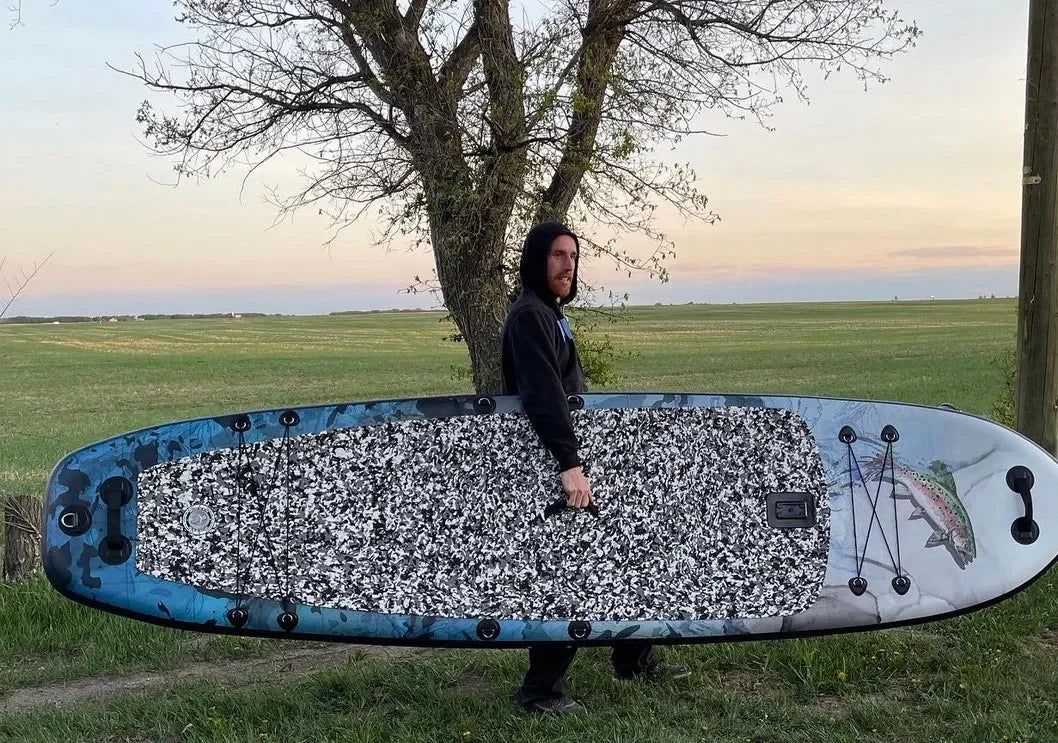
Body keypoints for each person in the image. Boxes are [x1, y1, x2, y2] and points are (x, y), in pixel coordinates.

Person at [501, 220, 690, 717]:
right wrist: (569, 463)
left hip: (570, 456)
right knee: (568, 570)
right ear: (537, 260)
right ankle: (541, 691)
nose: (568, 265)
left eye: (573, 256)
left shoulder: (551, 313)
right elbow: (542, 394)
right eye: (558, 255)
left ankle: (632, 657)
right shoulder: (530, 316)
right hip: (548, 461)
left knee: (623, 550)